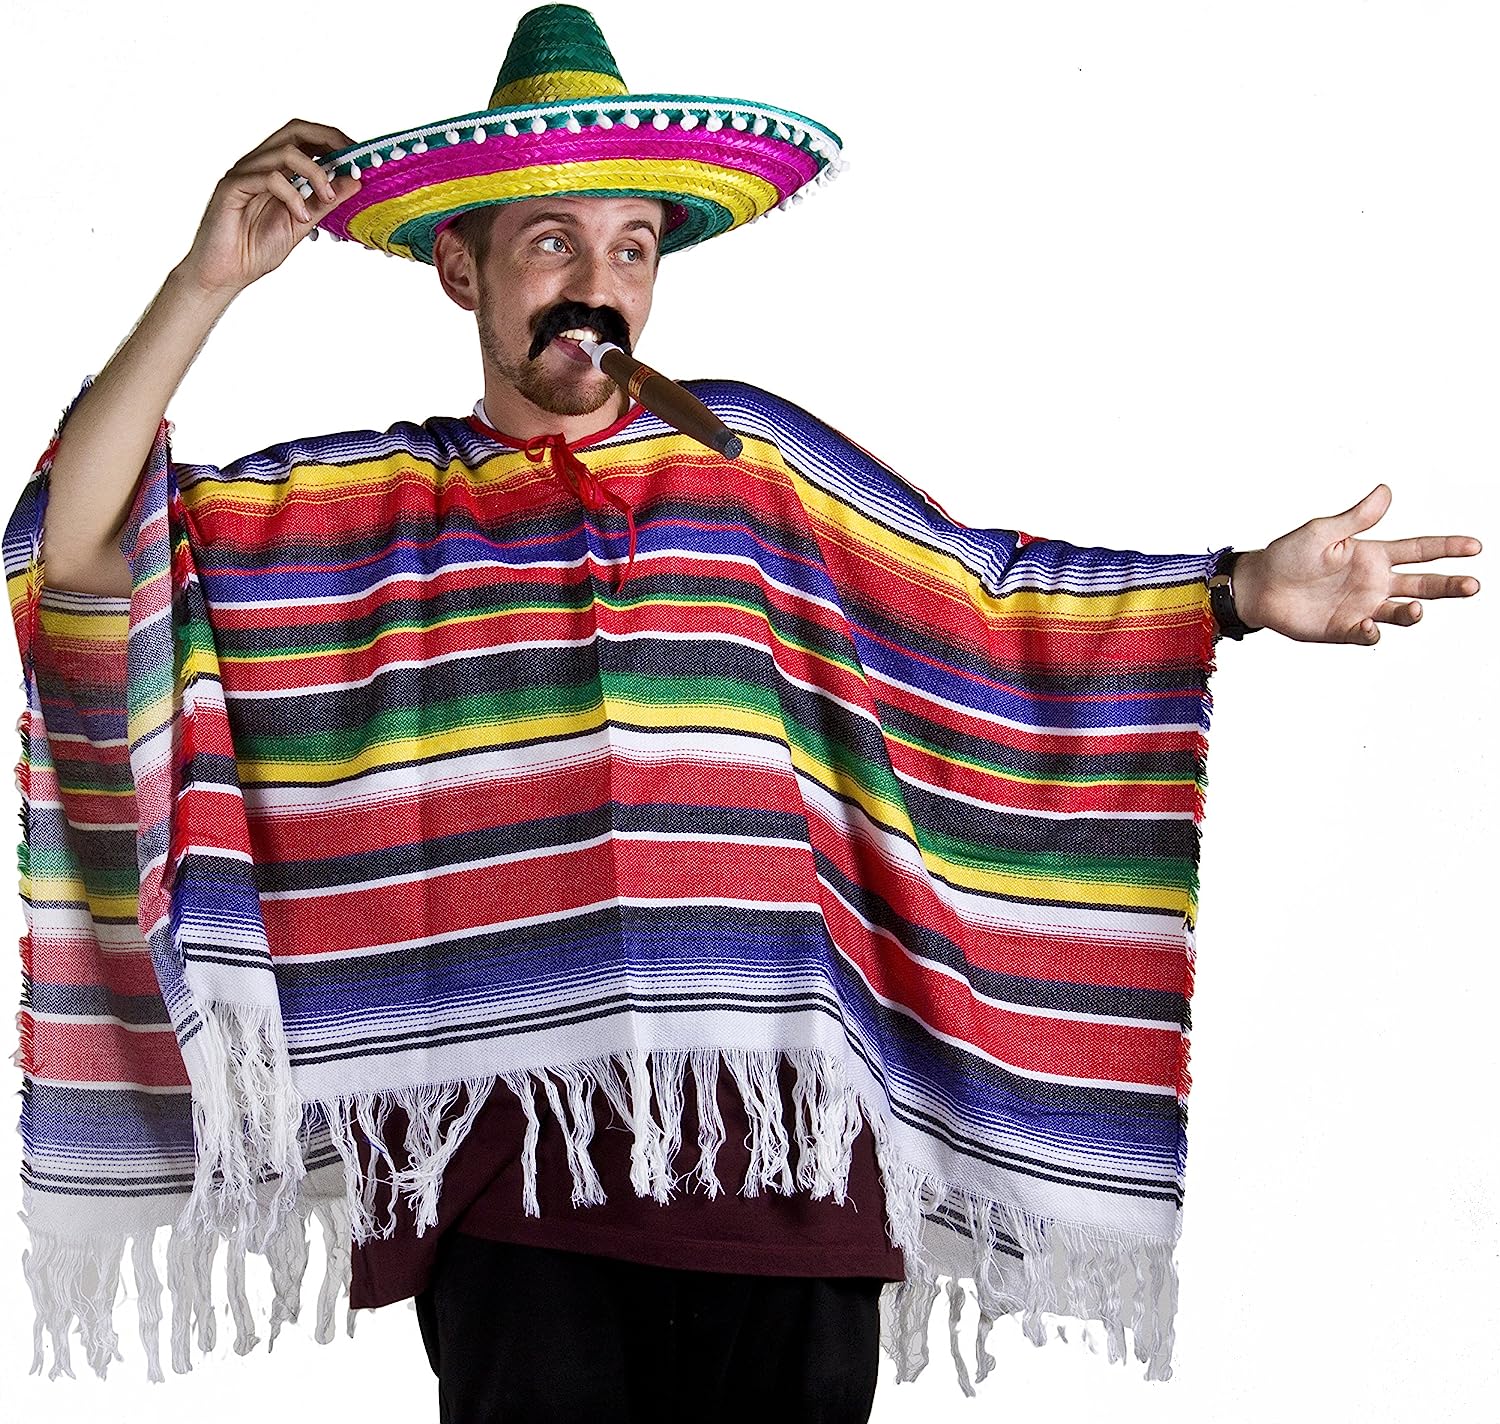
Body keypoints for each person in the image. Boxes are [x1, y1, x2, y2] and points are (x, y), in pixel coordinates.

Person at [5, 5, 1483, 1420]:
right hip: (517, 1193)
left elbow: (987, 604)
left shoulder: (754, 465)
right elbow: (81, 552)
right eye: (550, 240)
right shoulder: (369, 509)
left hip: (793, 1177)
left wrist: (1236, 589)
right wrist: (204, 284)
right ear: (459, 267)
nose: (597, 284)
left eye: (632, 246)